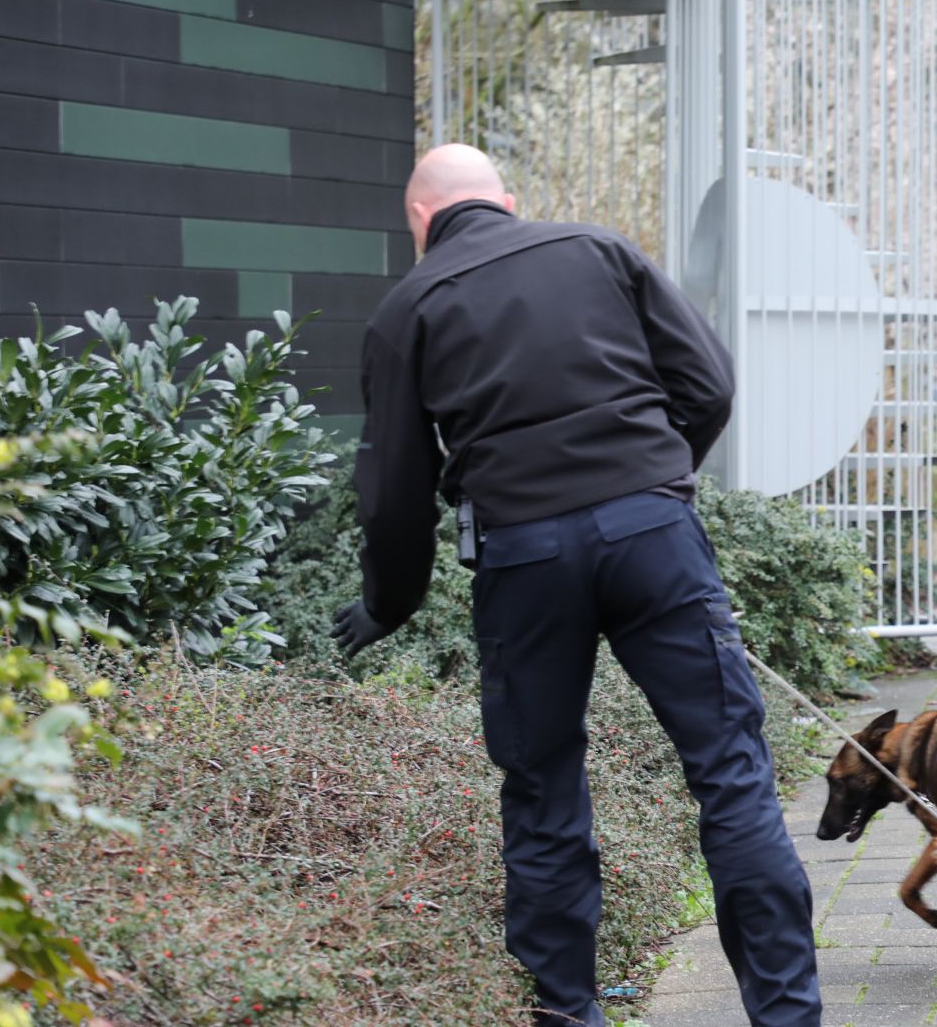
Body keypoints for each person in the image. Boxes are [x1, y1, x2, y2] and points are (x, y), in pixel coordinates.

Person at [326, 145, 822, 1027]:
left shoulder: (410, 307)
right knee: (731, 775)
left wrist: (387, 604)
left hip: (524, 560)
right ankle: (787, 1016)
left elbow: (394, 492)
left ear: (418, 221)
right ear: (508, 202)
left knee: (544, 784)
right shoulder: (598, 248)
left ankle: (569, 1013)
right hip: (653, 540)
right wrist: (656, 487)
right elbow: (707, 384)